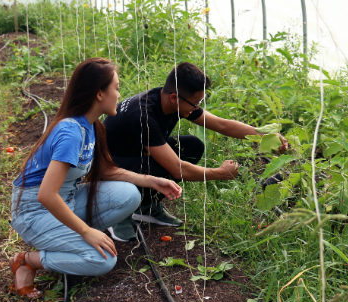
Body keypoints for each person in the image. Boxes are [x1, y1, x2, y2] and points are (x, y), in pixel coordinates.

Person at [9, 58, 182, 298]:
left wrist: (151, 180)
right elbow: (46, 195)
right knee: (102, 261)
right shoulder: (70, 132)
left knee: (130, 195)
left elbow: (105, 172)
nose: (119, 95)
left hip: (65, 199)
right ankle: (27, 261)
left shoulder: (91, 126)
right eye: (117, 88)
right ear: (99, 94)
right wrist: (85, 231)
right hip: (35, 211)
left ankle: (67, 241)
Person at [104, 61, 287, 241]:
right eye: (195, 102)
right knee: (163, 168)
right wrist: (220, 174)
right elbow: (177, 169)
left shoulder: (172, 100)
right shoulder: (143, 115)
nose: (197, 107)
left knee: (193, 146)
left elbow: (222, 125)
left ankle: (146, 207)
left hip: (136, 152)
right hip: (109, 167)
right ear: (174, 98)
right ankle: (117, 214)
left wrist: (266, 135)